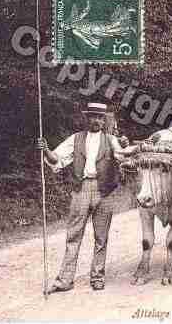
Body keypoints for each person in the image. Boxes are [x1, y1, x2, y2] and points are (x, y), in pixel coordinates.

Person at [36, 102, 128, 293]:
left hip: (105, 191)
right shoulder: (76, 139)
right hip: (81, 189)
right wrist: (45, 149)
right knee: (73, 235)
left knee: (101, 237)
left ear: (104, 120)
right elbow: (56, 159)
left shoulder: (112, 140)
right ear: (87, 119)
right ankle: (65, 280)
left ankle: (97, 277)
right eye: (93, 116)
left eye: (100, 117)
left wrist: (126, 146)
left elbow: (123, 157)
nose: (96, 120)